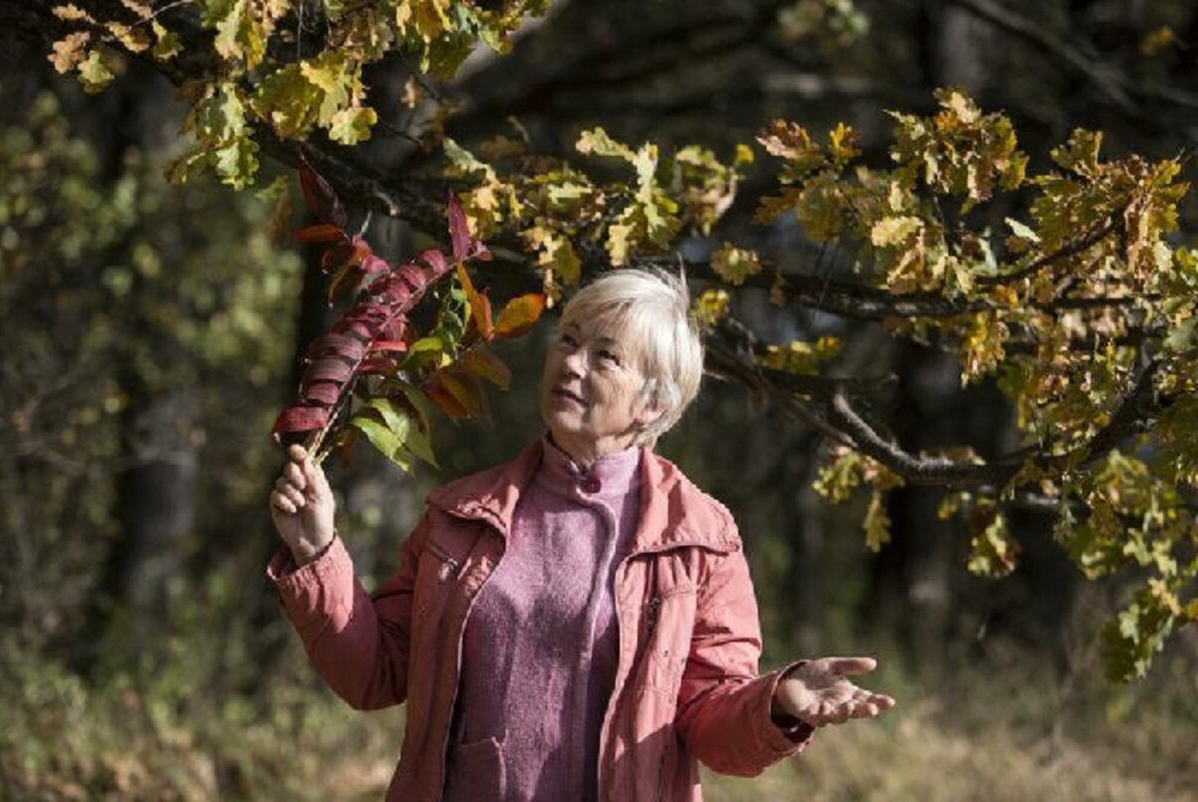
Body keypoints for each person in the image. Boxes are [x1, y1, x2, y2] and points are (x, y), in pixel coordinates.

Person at [268, 268, 895, 802]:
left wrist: (778, 701)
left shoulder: (699, 537)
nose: (571, 363)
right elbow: (375, 673)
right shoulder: (460, 515)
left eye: (605, 356)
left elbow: (711, 721)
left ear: (654, 404)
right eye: (567, 341)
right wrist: (316, 550)